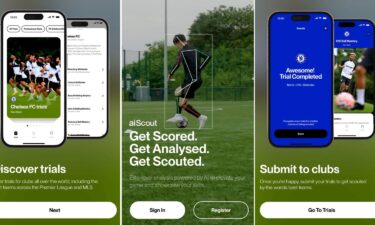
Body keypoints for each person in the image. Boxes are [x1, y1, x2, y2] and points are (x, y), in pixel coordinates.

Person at [166, 34, 211, 129]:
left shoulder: (183, 51)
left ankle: (201, 117)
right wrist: (199, 68)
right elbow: (208, 57)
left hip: (192, 81)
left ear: (179, 42)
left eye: (176, 45)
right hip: (192, 80)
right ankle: (179, 116)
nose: (177, 47)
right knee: (177, 92)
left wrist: (170, 74)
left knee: (182, 104)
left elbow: (177, 64)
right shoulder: (194, 49)